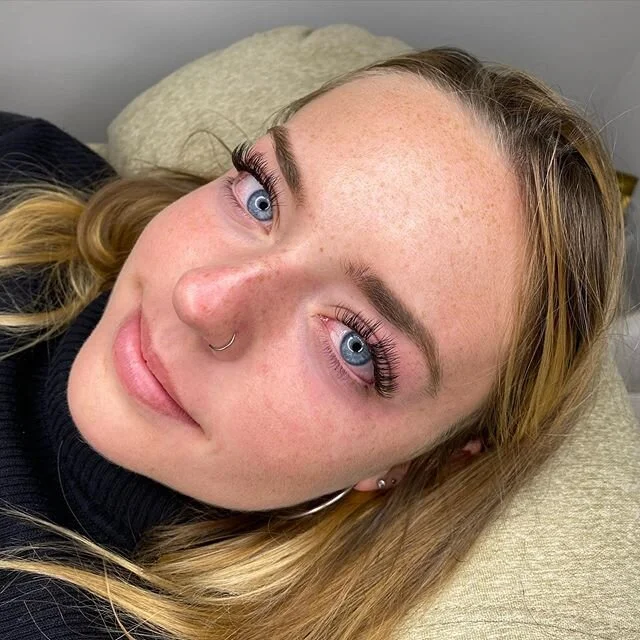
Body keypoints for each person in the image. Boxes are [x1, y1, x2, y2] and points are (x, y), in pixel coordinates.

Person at [0, 46, 625, 640]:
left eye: (355, 344)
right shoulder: (24, 163)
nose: (201, 299)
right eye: (261, 197)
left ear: (420, 461)